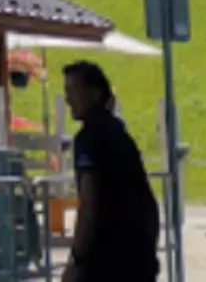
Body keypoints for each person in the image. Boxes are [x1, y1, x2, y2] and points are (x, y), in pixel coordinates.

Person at [62, 60, 160, 282]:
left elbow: (89, 202)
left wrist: (77, 260)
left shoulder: (89, 139)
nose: (68, 99)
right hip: (138, 256)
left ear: (94, 93)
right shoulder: (120, 133)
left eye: (72, 90)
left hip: (105, 261)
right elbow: (147, 201)